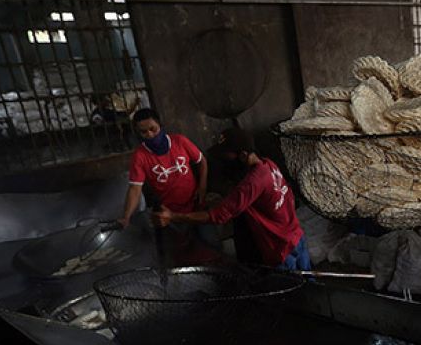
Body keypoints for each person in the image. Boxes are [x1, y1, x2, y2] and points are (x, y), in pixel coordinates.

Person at [153, 128, 311, 271]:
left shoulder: (252, 183)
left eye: (226, 156)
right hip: (296, 238)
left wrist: (173, 216)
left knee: (292, 295)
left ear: (242, 155)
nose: (223, 161)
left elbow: (217, 216)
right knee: (311, 287)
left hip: (280, 250)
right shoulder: (269, 164)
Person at [118, 108, 209, 228]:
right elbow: (135, 189)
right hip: (168, 212)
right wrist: (126, 216)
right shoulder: (140, 156)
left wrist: (202, 187)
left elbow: (201, 161)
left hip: (196, 204)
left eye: (153, 129)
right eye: (143, 132)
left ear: (160, 125)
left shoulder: (180, 141)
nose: (149, 134)